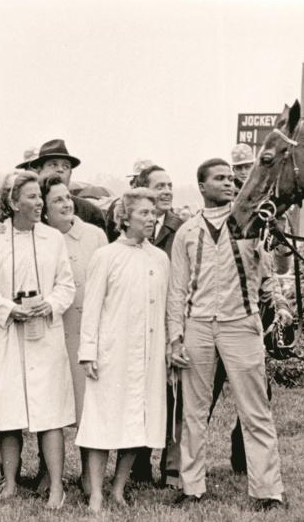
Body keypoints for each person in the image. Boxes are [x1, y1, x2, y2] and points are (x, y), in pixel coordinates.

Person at [167, 159, 286, 508]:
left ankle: (267, 491)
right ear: (201, 186)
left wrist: (280, 305)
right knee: (194, 410)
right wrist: (175, 337)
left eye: (231, 179)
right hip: (198, 325)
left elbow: (271, 274)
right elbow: (177, 290)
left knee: (255, 410)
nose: (229, 184)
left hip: (241, 324)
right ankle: (191, 486)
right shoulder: (187, 231)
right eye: (219, 179)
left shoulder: (252, 224)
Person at [0, 171, 75, 509]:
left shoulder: (52, 238)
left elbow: (66, 285)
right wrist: (8, 308)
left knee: (50, 412)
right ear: (13, 202)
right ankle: (10, 483)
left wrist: (51, 304)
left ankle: (57, 486)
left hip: (44, 332)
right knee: (9, 411)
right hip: (6, 334)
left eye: (39, 197)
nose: (38, 203)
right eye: (31, 197)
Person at [76, 188, 170, 512]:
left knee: (136, 421)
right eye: (144, 213)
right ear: (124, 217)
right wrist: (88, 351)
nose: (151, 218)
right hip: (111, 351)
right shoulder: (106, 256)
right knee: (102, 421)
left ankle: (118, 488)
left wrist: (170, 348)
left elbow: (166, 308)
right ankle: (96, 493)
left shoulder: (160, 258)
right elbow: (91, 307)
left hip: (148, 353)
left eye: (153, 213)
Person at [109, 164, 184, 487]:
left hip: (161, 323)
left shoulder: (181, 228)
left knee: (161, 401)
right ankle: (133, 467)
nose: (166, 191)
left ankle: (166, 467)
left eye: (169, 185)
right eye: (158, 186)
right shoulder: (116, 245)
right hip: (127, 326)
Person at [40, 172, 107, 490]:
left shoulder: (94, 235)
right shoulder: (37, 237)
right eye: (57, 200)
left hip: (84, 332)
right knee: (51, 407)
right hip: (50, 332)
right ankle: (48, 473)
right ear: (43, 209)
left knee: (86, 408)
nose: (67, 204)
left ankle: (88, 476)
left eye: (68, 197)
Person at [20, 139, 106, 231]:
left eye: (66, 166)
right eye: (53, 164)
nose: (60, 169)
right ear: (39, 171)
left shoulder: (90, 212)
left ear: (70, 174)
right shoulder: (24, 209)